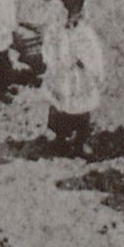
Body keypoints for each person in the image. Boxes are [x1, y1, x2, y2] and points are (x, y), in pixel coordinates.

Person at [44, 10, 106, 157]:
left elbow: (94, 54)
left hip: (81, 78)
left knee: (82, 110)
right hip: (64, 77)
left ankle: (80, 142)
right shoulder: (57, 31)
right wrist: (57, 64)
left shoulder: (85, 33)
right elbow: (50, 49)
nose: (70, 21)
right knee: (60, 108)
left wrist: (93, 69)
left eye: (74, 17)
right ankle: (60, 139)